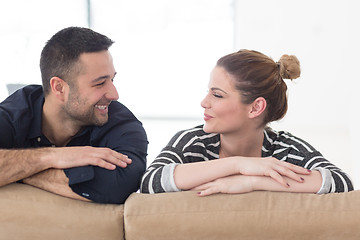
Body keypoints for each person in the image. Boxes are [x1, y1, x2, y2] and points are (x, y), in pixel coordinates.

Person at [140, 49, 353, 196]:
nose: (204, 102)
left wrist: (251, 182)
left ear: (255, 108)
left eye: (218, 95)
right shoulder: (192, 142)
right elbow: (151, 181)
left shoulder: (286, 149)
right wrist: (239, 165)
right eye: (208, 92)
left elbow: (340, 182)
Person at [0, 27, 148, 204]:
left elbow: (120, 185)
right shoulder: (15, 113)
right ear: (59, 88)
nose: (114, 94)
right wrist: (51, 157)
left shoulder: (121, 123)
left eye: (112, 79)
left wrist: (19, 173)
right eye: (100, 83)